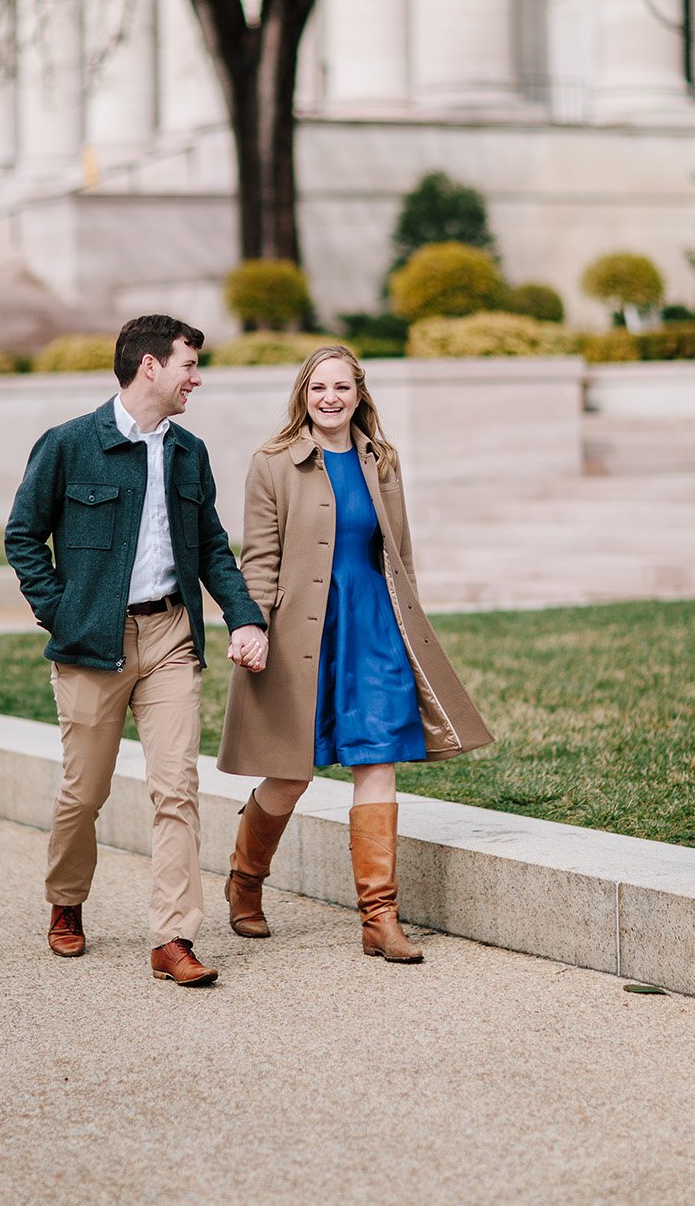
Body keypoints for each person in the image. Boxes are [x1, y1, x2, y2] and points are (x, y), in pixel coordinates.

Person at [5, 313, 267, 988]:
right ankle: (66, 898)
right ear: (150, 366)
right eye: (188, 365)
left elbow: (211, 547)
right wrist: (61, 613)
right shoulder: (68, 445)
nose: (195, 379)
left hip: (171, 636)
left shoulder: (189, 452)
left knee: (177, 787)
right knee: (82, 792)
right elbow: (23, 537)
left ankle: (172, 937)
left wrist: (244, 618)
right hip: (93, 642)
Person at [217, 344, 492, 963]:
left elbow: (400, 551)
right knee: (289, 774)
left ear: (359, 394)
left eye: (341, 387)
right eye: (318, 389)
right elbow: (258, 559)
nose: (330, 399)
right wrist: (249, 624)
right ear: (303, 396)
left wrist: (409, 621)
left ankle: (379, 917)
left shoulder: (380, 460)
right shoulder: (272, 464)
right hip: (299, 633)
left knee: (378, 761)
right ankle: (245, 881)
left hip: (372, 627)